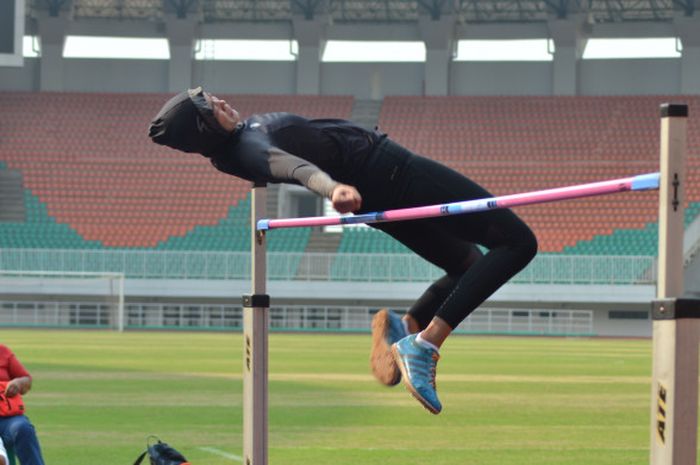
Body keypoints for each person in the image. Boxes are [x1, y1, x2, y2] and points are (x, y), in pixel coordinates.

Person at [149, 87, 538, 414]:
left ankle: (407, 327)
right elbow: (293, 167)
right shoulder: (247, 147)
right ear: (203, 129)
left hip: (380, 193)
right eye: (211, 108)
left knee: (466, 264)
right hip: (393, 172)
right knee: (518, 243)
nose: (221, 102)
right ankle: (426, 344)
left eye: (213, 97)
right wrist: (331, 188)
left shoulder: (235, 142)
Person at [0, 344, 46, 465]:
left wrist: (17, 383)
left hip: (8, 418)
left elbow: (26, 379)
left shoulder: (3, 352)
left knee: (23, 428)